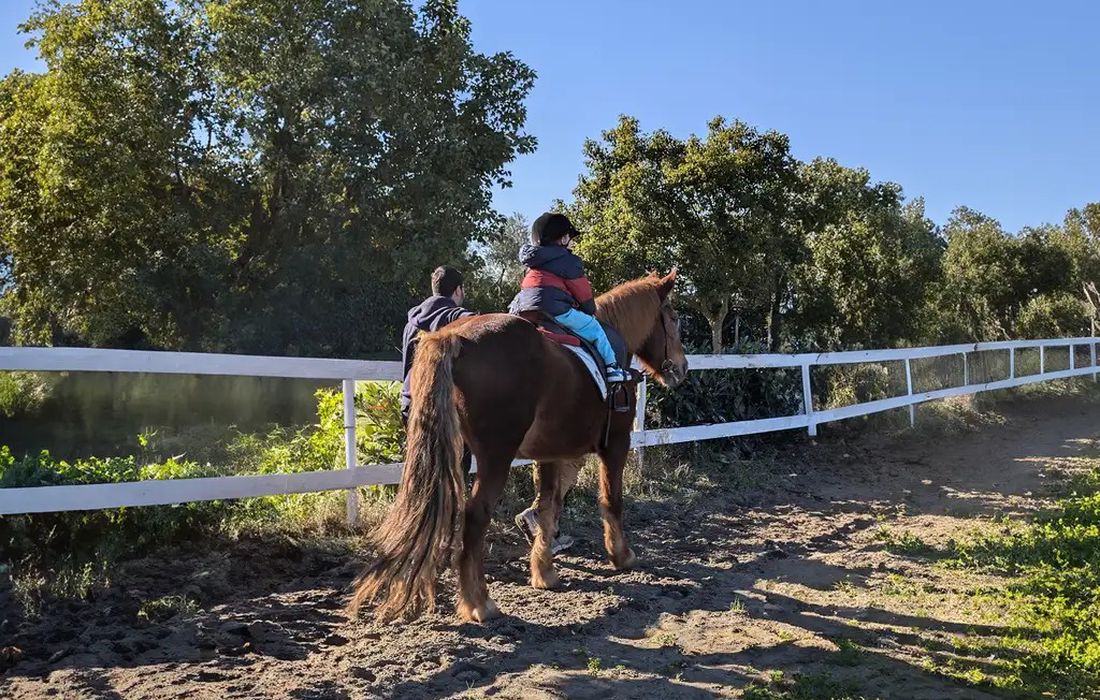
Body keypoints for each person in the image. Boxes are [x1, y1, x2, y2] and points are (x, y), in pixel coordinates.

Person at [508, 212, 628, 383]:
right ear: (563, 239)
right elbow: (583, 293)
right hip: (554, 310)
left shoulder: (532, 263)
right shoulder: (569, 260)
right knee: (595, 329)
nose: (571, 242)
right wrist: (589, 310)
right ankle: (612, 368)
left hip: (523, 309)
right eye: (569, 238)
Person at [400, 266, 476, 426]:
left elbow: (407, 367)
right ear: (458, 290)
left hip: (412, 403)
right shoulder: (460, 320)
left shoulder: (410, 324)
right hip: (445, 407)